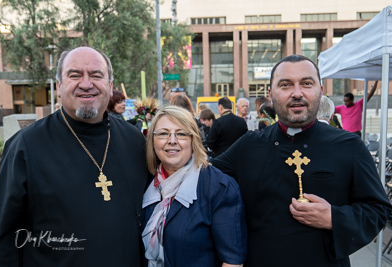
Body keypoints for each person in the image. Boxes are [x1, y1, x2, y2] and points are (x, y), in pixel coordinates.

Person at [211, 55, 392, 267]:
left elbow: (378, 210)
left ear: (320, 91)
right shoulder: (249, 145)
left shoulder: (349, 145)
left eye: (307, 83)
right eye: (285, 85)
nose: (297, 93)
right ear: (270, 94)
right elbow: (205, 176)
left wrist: (334, 217)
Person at [0, 46, 149, 266]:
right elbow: (2, 238)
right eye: (75, 75)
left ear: (110, 85)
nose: (86, 84)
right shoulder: (25, 147)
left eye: (96, 75)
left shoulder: (134, 140)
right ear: (59, 87)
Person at [141, 105, 247, 267]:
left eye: (181, 134)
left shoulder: (219, 187)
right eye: (163, 133)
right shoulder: (146, 183)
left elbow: (232, 261)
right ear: (152, 140)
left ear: (193, 139)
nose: (172, 140)